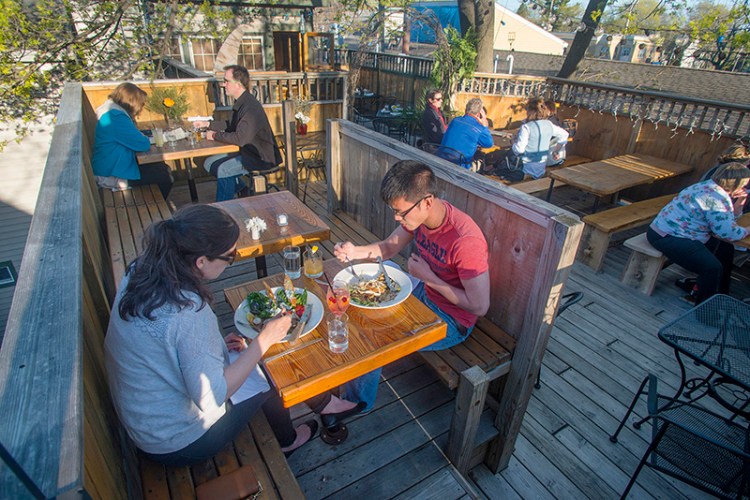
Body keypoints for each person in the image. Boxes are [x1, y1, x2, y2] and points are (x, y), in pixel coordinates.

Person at [104, 204, 360, 466]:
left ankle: (326, 406)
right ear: (200, 261)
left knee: (249, 355)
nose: (232, 260)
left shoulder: (142, 269)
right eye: (230, 256)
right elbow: (212, 396)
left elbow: (171, 349)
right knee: (273, 371)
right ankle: (291, 438)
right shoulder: (187, 310)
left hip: (146, 416)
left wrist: (218, 348)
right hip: (177, 441)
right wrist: (264, 341)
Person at [333, 161, 490, 411]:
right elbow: (388, 247)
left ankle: (354, 403)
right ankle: (347, 372)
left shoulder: (465, 240)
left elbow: (480, 306)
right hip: (423, 292)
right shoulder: (421, 218)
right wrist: (354, 252)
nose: (397, 218)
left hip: (451, 321)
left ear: (427, 201)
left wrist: (430, 278)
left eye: (401, 212)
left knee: (374, 337)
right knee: (366, 289)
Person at [647, 162, 750, 305]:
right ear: (737, 184)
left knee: (725, 250)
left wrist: (741, 200)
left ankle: (719, 294)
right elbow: (729, 233)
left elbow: (727, 219)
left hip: (682, 233)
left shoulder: (708, 186)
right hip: (667, 236)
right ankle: (705, 309)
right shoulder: (715, 198)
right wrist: (748, 230)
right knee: (712, 267)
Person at [193, 65, 282, 202]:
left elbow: (240, 139)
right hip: (248, 150)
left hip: (261, 156)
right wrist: (208, 124)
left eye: (226, 81)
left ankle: (224, 210)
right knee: (209, 163)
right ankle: (243, 189)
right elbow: (232, 126)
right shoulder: (242, 102)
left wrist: (214, 135)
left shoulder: (250, 107)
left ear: (238, 84)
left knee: (223, 169)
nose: (224, 85)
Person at [92, 83, 174, 198]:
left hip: (113, 168)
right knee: (164, 176)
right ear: (133, 103)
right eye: (141, 104)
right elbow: (143, 144)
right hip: (111, 176)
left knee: (161, 168)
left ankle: (152, 203)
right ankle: (151, 207)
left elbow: (134, 137)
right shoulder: (115, 117)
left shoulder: (110, 111)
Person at [507, 97, 568, 180]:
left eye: (527, 109)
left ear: (530, 111)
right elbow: (564, 134)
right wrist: (555, 151)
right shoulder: (548, 124)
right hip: (541, 169)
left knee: (502, 158)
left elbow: (519, 150)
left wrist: (513, 142)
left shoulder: (526, 127)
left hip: (526, 169)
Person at [440, 98, 493, 170]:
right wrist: (485, 126)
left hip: (442, 158)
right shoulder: (479, 128)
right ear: (479, 114)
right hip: (460, 165)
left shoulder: (455, 120)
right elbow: (489, 144)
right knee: (480, 158)